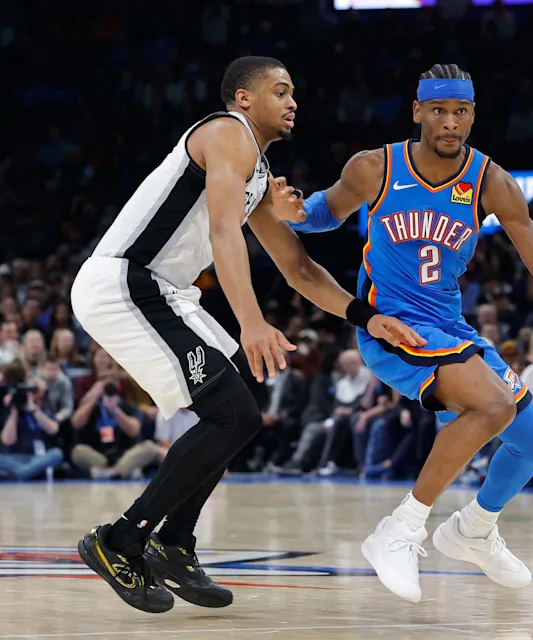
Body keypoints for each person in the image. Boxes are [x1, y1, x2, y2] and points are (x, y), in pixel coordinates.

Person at [69, 56, 421, 614]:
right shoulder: (226, 134)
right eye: (280, 91)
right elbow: (222, 230)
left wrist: (365, 316)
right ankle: (119, 541)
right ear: (243, 99)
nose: (292, 101)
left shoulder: (254, 172)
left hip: (164, 290)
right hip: (125, 281)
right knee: (232, 413)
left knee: (240, 411)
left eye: (294, 92)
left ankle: (174, 543)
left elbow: (299, 269)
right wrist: (251, 323)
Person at [289, 64, 533, 602]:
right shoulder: (375, 166)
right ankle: (400, 528)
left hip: (450, 327)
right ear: (418, 112)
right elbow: (325, 213)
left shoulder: (492, 182)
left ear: (473, 115)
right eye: (438, 110)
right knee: (494, 406)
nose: (450, 122)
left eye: (460, 111)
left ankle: (473, 529)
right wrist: (292, 211)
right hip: (392, 326)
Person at [0, 377, 63, 481]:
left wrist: (35, 410)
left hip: (38, 457)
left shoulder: (44, 409)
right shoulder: (12, 411)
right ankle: (26, 473)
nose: (38, 396)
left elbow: (53, 429)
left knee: (57, 453)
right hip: (13, 458)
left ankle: (21, 474)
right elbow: (7, 441)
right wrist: (14, 411)